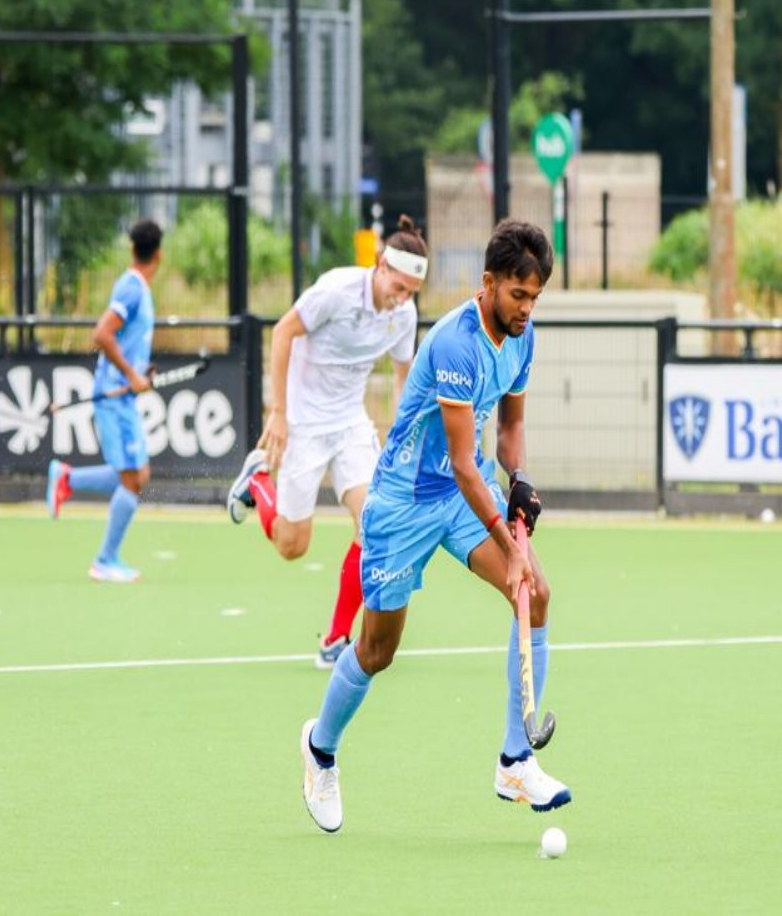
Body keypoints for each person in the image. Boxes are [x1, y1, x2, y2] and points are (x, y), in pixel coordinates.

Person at [298, 220, 568, 834]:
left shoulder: (523, 338)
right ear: (489, 284)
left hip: (453, 498)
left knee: (536, 595)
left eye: (536, 298)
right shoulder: (455, 343)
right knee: (377, 650)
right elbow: (468, 465)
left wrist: (520, 476)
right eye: (518, 296)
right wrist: (510, 543)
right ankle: (320, 748)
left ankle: (514, 761)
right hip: (402, 504)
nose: (527, 309)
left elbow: (505, 434)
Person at [228, 216, 427, 668]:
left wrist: (405, 442)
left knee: (374, 524)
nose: (402, 299)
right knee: (291, 546)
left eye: (411, 293)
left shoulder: (403, 316)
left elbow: (402, 381)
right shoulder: (336, 291)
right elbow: (282, 333)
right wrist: (279, 412)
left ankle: (335, 639)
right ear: (379, 266)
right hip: (304, 424)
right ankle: (259, 482)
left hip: (351, 425)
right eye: (398, 286)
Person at [44, 219, 162, 582]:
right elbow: (102, 334)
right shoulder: (132, 289)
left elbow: (121, 340)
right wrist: (130, 375)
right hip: (113, 396)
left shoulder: (135, 286)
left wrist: (141, 372)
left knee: (136, 474)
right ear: (159, 255)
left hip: (121, 396)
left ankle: (67, 478)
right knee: (133, 477)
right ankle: (105, 560)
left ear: (132, 248)